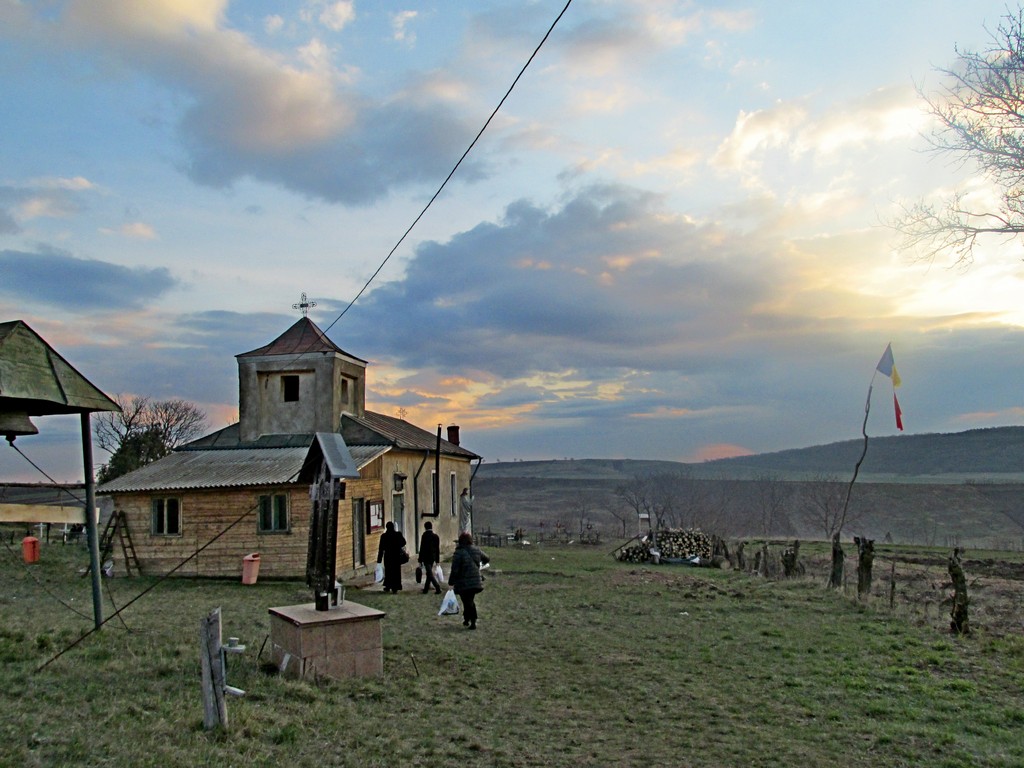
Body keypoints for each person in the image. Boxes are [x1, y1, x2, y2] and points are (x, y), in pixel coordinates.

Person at [448, 532, 489, 630]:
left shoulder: (458, 552)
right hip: (475, 581)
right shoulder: (476, 550)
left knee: (467, 601)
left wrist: (451, 581)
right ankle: (467, 619)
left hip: (463, 581)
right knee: (468, 600)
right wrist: (479, 566)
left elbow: (455, 569)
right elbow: (487, 558)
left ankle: (472, 620)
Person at [376, 521, 406, 594]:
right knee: (396, 571)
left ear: (387, 527)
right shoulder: (398, 534)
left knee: (388, 571)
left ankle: (388, 585)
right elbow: (404, 542)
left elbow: (381, 549)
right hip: (396, 556)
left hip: (388, 556)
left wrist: (379, 560)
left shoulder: (384, 536)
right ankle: (395, 587)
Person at [418, 521, 442, 595]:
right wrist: (437, 560)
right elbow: (437, 549)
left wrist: (420, 559)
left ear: (425, 527)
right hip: (432, 557)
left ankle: (437, 587)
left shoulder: (424, 536)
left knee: (429, 573)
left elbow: (422, 548)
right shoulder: (436, 536)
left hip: (426, 557)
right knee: (429, 573)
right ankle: (426, 589)